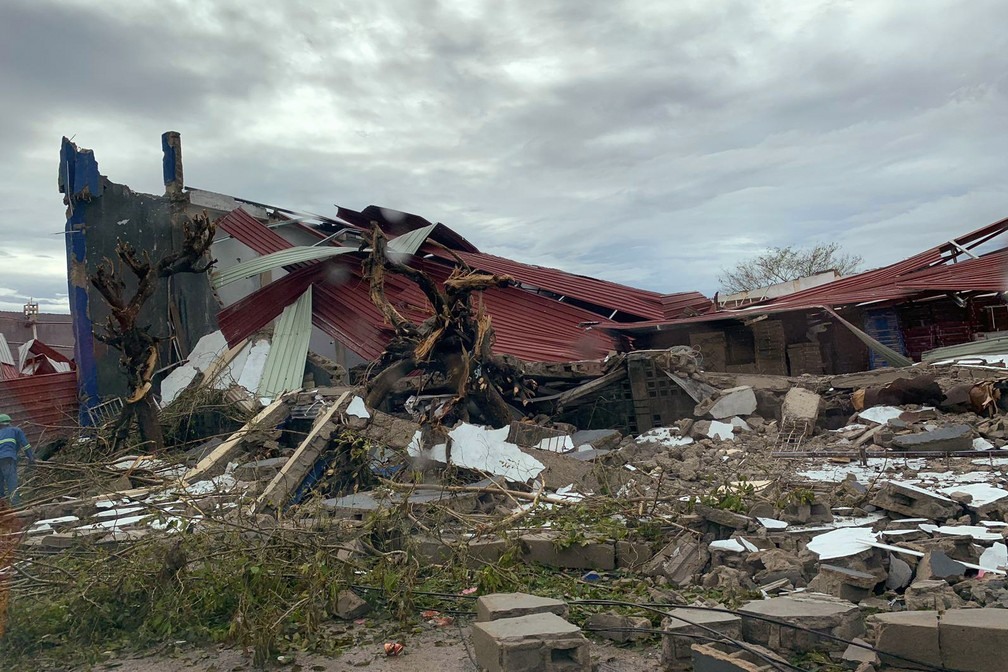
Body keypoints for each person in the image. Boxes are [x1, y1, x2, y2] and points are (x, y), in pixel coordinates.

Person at [0, 414, 35, 505]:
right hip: (8, 459)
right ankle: (15, 503)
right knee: (11, 480)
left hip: (4, 458)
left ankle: (2, 503)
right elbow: (26, 445)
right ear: (9, 422)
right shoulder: (16, 430)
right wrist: (31, 458)